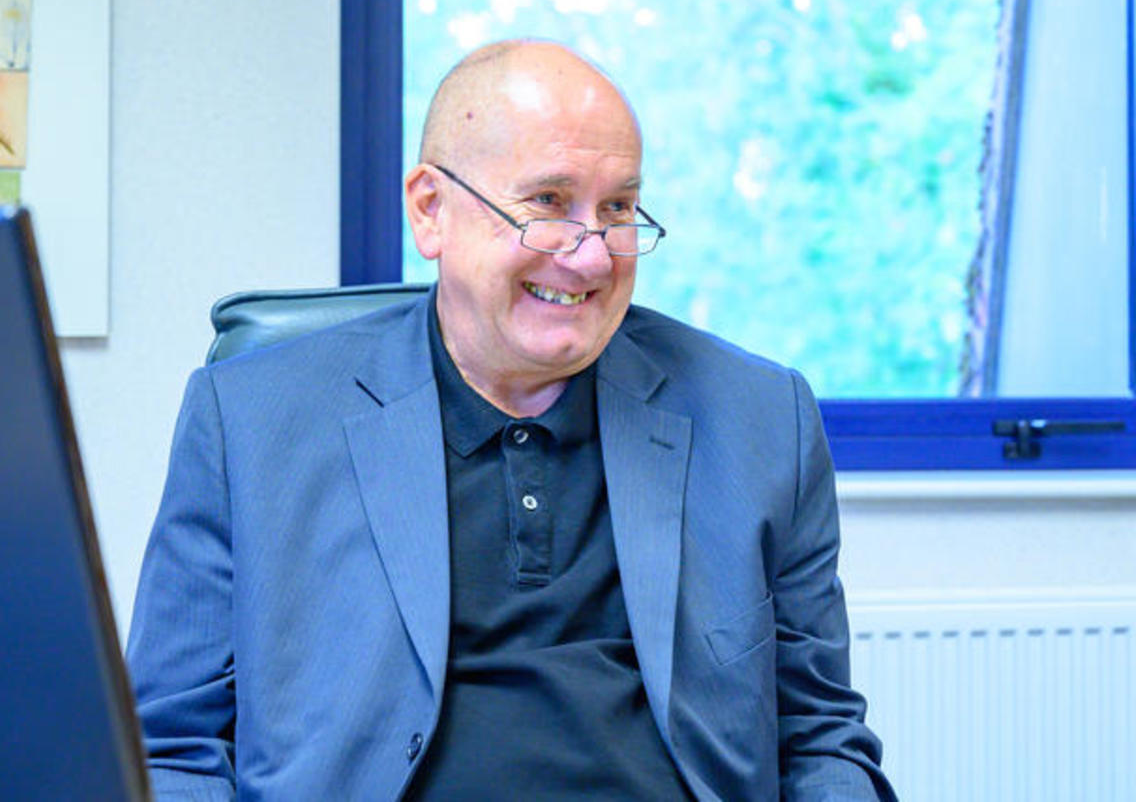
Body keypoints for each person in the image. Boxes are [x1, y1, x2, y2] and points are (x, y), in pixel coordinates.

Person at [127, 39, 895, 801]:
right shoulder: (254, 421)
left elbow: (820, 738)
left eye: (619, 209)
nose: (592, 257)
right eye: (549, 205)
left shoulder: (758, 418)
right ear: (432, 211)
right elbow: (172, 750)